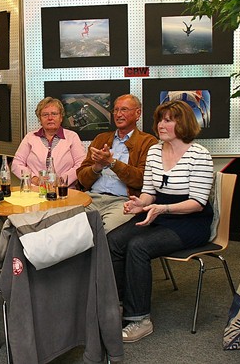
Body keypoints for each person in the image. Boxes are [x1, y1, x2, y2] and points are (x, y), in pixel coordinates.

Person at [107, 100, 214, 343]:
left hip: (191, 220)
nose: (160, 125)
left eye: (168, 120)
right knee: (113, 240)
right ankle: (119, 305)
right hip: (158, 212)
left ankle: (139, 319)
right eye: (159, 120)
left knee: (138, 246)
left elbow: (197, 202)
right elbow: (149, 192)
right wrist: (140, 204)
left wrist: (161, 208)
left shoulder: (199, 155)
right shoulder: (155, 151)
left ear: (183, 123)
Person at [76, 95, 157, 233]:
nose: (118, 114)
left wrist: (112, 163)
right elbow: (82, 178)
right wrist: (97, 166)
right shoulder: (101, 139)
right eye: (116, 110)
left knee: (107, 231)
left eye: (124, 109)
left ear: (138, 113)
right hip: (91, 198)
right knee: (70, 226)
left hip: (122, 202)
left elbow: (142, 180)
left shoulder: (148, 142)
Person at [11, 97, 85, 187]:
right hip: (35, 190)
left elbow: (81, 164)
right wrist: (34, 179)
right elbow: (16, 164)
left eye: (54, 114)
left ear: (61, 117)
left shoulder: (72, 137)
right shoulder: (30, 137)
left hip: (64, 190)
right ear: (40, 119)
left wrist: (62, 180)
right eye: (45, 115)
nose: (50, 118)